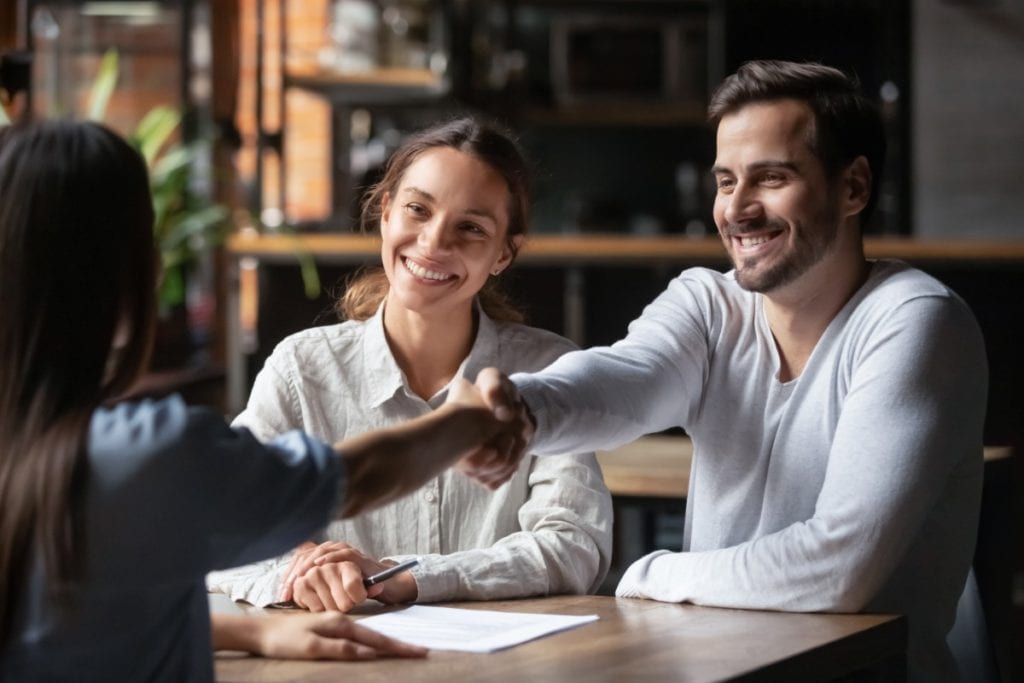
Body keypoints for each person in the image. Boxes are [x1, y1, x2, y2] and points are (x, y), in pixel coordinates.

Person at [473, 60, 988, 682]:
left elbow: (837, 568)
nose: (738, 210)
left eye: (771, 177)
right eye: (725, 182)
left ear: (853, 188)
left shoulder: (914, 320)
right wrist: (521, 410)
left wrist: (649, 574)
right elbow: (626, 379)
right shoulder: (708, 303)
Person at [0, 119, 527, 681]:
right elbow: (358, 476)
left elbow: (92, 615)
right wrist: (465, 420)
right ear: (139, 276)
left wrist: (254, 630)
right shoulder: (148, 456)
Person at [207, 116, 612, 612]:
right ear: (385, 213)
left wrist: (403, 576)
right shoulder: (302, 370)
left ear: (504, 253)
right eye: (418, 209)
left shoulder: (548, 370)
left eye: (471, 228)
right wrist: (300, 567)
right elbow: (221, 530)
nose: (434, 242)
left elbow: (574, 547)